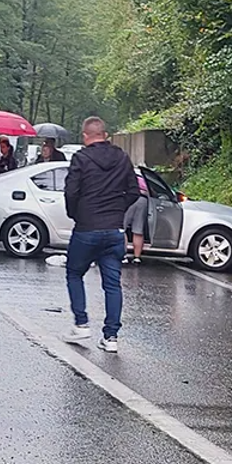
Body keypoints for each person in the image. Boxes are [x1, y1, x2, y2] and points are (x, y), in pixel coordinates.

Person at [63, 116, 140, 353]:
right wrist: (117, 210)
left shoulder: (81, 158)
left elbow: (71, 192)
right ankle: (111, 337)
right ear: (105, 134)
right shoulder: (122, 157)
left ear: (85, 136)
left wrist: (76, 214)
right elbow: (134, 191)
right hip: (114, 230)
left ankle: (82, 323)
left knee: (75, 273)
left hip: (87, 228)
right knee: (112, 285)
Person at [122, 171, 150, 264]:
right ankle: (137, 257)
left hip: (129, 198)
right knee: (138, 230)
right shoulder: (143, 176)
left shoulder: (124, 173)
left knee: (122, 228)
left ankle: (123, 256)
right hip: (143, 200)